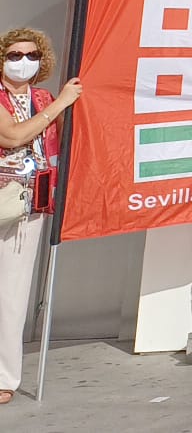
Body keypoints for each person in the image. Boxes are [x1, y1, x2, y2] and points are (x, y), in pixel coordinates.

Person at [0, 29, 80, 404]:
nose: (22, 60)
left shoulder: (43, 97)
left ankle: (4, 378)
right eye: (14, 54)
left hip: (30, 204)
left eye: (30, 54)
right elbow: (12, 136)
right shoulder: (43, 101)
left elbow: (62, 142)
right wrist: (60, 105)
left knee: (13, 295)